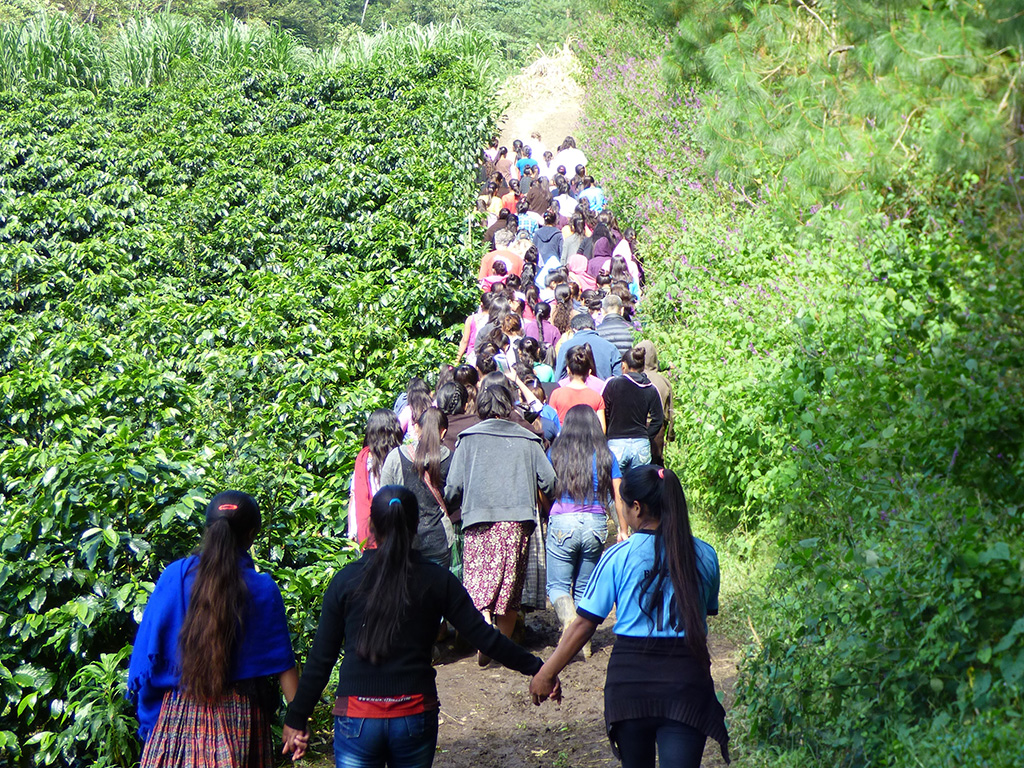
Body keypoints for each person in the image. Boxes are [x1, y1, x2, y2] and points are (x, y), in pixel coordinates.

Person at [282, 487, 556, 765]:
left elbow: (321, 659)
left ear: (371, 525)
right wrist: (539, 669)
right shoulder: (437, 580)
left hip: (357, 717)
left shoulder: (345, 581)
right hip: (413, 714)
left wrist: (296, 719)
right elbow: (485, 638)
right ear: (416, 525)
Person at [529, 466, 730, 768]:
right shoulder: (705, 555)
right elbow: (706, 612)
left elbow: (584, 624)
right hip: (687, 684)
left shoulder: (618, 556)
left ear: (637, 508)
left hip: (630, 688)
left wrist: (546, 673)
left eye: (622, 504)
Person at [128, 492, 298, 766]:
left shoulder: (175, 576)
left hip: (178, 713)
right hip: (240, 718)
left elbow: (149, 657)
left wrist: (150, 717)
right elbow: (283, 664)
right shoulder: (263, 588)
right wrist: (297, 722)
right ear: (251, 535)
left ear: (208, 529)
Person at [444, 379, 556, 654]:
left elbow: (453, 488)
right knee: (510, 591)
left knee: (477, 585)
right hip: (517, 523)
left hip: (477, 521)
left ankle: (484, 628)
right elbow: (550, 482)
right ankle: (498, 644)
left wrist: (448, 505)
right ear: (508, 406)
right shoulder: (528, 438)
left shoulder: (467, 439)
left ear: (481, 407)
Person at [545, 406, 627, 654]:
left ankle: (570, 621)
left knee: (557, 586)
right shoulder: (605, 454)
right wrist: (623, 529)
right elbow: (618, 495)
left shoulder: (555, 452)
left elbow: (545, 485)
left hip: (563, 520)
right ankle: (583, 642)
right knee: (583, 588)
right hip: (595, 523)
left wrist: (549, 511)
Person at [380, 408, 455, 569]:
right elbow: (455, 493)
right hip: (439, 539)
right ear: (443, 432)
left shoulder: (396, 456)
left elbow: (383, 498)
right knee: (437, 585)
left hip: (405, 540)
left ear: (416, 428)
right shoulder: (450, 458)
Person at [348, 409, 405, 548]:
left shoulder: (363, 458)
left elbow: (355, 497)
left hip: (368, 532)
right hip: (395, 530)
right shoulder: (400, 457)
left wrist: (352, 532)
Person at [603, 347, 664, 473]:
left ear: (624, 365)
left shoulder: (613, 384)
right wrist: (646, 436)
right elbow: (658, 419)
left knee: (615, 483)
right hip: (641, 445)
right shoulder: (650, 388)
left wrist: (608, 432)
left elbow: (604, 411)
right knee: (639, 484)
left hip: (616, 443)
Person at [549, 345, 606, 430]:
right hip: (589, 438)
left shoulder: (556, 395)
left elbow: (551, 424)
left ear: (568, 370)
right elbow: (602, 429)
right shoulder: (597, 398)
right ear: (589, 372)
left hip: (564, 437)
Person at [634, 341, 672, 465]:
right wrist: (670, 434)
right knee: (656, 464)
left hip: (637, 428)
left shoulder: (633, 380)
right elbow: (670, 410)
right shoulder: (663, 381)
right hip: (658, 430)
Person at [553, 313, 623, 381]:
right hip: (603, 388)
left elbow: (559, 377)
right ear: (595, 328)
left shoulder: (566, 346)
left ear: (573, 330)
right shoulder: (610, 347)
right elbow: (618, 377)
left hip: (574, 387)